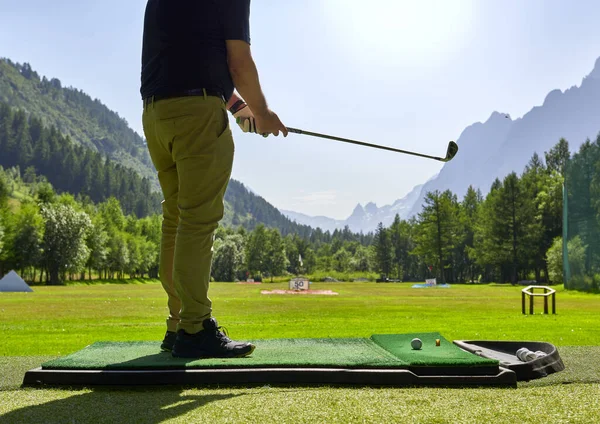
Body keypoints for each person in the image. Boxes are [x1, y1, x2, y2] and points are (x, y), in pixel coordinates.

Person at [140, 0, 287, 359]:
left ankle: (177, 325)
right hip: (197, 113)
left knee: (176, 219)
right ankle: (195, 327)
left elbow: (192, 57)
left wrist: (241, 109)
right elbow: (237, 62)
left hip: (157, 113)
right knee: (197, 220)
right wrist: (264, 113)